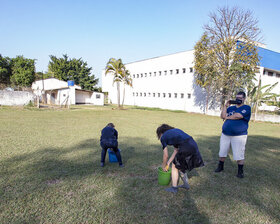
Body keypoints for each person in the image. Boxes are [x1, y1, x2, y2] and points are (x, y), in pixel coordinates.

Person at [156, 124, 204, 193]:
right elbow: (176, 150)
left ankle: (174, 188)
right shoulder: (175, 132)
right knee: (180, 166)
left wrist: (163, 166)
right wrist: (168, 163)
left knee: (175, 166)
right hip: (193, 144)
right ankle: (186, 185)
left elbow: (165, 155)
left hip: (186, 147)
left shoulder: (163, 137)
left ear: (160, 133)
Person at [215, 91, 251, 178]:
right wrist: (226, 106)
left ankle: (240, 172)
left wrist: (226, 117)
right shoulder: (231, 108)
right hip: (225, 134)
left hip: (239, 136)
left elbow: (238, 116)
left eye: (240, 98)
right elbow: (222, 116)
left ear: (244, 99)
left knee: (239, 154)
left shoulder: (246, 107)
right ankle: (220, 167)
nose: (238, 99)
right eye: (237, 98)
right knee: (222, 152)